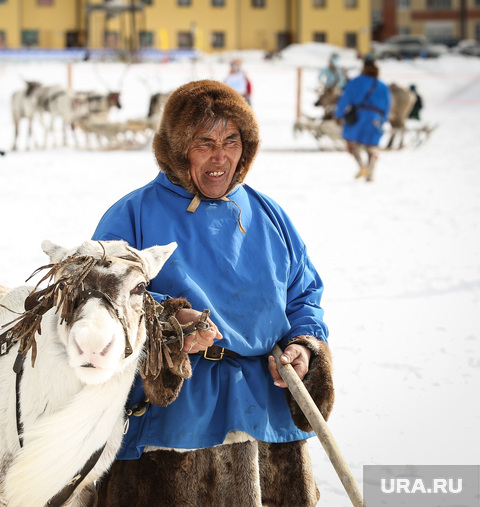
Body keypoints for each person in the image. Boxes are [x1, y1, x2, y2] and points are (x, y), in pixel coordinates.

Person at [92, 79, 334, 506]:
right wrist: (166, 324)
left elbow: (303, 296)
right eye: (204, 143)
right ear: (177, 147)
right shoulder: (133, 214)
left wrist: (303, 345)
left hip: (266, 410)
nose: (220, 157)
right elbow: (100, 304)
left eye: (231, 141)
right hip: (173, 416)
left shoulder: (268, 214)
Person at [334, 55, 392, 182]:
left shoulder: (356, 81)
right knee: (372, 146)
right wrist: (384, 120)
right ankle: (370, 173)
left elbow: (345, 99)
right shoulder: (382, 85)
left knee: (351, 142)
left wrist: (338, 114)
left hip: (359, 117)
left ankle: (362, 166)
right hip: (376, 118)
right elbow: (388, 104)